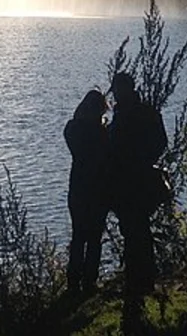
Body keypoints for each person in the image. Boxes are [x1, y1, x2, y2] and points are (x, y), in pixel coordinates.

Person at [107, 70, 168, 300]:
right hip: (130, 181)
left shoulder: (137, 114)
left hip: (132, 181)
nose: (115, 96)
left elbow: (158, 142)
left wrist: (139, 161)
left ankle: (139, 280)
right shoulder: (142, 112)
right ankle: (140, 279)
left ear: (126, 90)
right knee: (136, 230)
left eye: (118, 91)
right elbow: (161, 142)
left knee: (136, 230)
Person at [63, 88, 109, 294]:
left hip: (78, 188)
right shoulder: (101, 133)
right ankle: (89, 281)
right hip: (98, 188)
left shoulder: (72, 129)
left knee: (78, 236)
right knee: (94, 238)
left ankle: (73, 281)